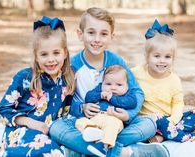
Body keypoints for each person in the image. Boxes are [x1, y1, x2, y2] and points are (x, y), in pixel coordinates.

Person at [49, 7, 169, 157]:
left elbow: (136, 92)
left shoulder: (116, 61)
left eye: (103, 34)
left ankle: (81, 150)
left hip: (116, 123)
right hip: (85, 124)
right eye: (91, 32)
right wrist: (81, 108)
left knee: (149, 125)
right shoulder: (72, 66)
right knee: (55, 128)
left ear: (112, 36)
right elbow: (64, 102)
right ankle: (123, 152)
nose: (97, 39)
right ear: (80, 34)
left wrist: (127, 115)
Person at [0, 16, 75, 157]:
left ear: (65, 53)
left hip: (51, 133)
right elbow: (2, 111)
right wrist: (31, 123)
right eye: (44, 54)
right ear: (36, 56)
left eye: (56, 53)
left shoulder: (68, 78)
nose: (51, 59)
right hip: (22, 132)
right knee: (50, 152)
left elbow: (68, 110)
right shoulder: (25, 77)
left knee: (68, 150)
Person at [132, 19, 195, 143]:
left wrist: (173, 120)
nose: (162, 61)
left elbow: (178, 103)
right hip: (148, 121)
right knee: (157, 118)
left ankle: (162, 137)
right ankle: (194, 136)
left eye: (167, 57)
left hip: (170, 121)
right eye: (157, 56)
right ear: (147, 56)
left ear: (173, 58)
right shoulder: (136, 73)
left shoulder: (174, 80)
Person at [76, 65, 137, 149]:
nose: (113, 87)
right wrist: (99, 95)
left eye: (119, 85)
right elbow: (88, 97)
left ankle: (104, 146)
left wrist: (112, 98)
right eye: (108, 84)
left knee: (112, 125)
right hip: (95, 118)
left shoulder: (128, 93)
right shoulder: (100, 89)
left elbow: (132, 103)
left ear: (127, 85)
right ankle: (92, 130)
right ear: (102, 83)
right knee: (80, 121)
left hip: (113, 118)